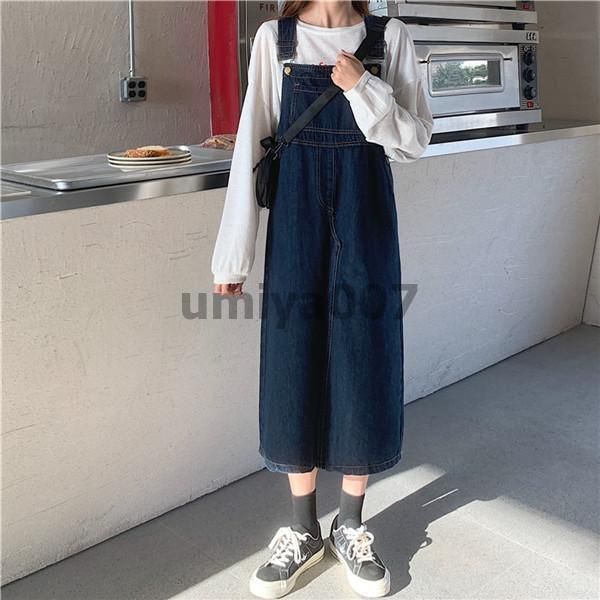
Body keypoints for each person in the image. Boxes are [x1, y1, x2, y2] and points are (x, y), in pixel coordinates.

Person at [212, 1, 433, 597]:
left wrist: (363, 87)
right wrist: (233, 254)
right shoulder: (274, 39)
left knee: (365, 355)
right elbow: (249, 144)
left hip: (366, 218)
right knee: (293, 357)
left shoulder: (390, 38)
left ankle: (351, 525)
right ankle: (303, 528)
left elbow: (415, 141)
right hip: (296, 218)